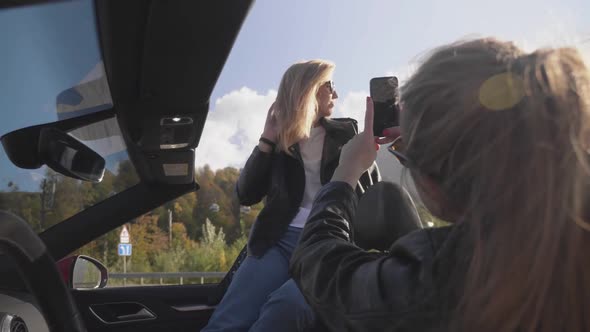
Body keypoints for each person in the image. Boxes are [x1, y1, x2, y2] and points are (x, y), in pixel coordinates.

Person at [290, 38, 590, 332]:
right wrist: (422, 147)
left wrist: (346, 172)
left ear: (437, 188)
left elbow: (321, 266)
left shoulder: (445, 278)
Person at [202, 59, 380, 332]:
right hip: (277, 241)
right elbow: (246, 194)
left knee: (284, 310)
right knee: (227, 321)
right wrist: (267, 139)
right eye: (330, 85)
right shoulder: (281, 139)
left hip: (329, 242)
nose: (336, 93)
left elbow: (371, 192)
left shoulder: (347, 133)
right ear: (309, 89)